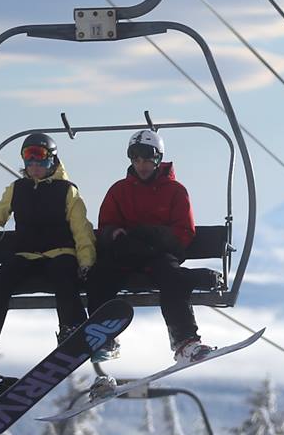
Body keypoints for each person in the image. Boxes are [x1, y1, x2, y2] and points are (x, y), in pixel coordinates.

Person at [0, 132, 97, 358]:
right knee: (3, 278)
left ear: (51, 159)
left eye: (38, 156)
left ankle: (73, 328)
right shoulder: (18, 189)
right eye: (28, 157)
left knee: (64, 275)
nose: (33, 164)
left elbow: (81, 229)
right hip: (26, 254)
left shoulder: (67, 191)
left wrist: (86, 261)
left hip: (60, 252)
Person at [84, 128, 210, 363]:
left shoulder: (175, 191)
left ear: (158, 159)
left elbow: (184, 231)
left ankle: (185, 340)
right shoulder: (119, 191)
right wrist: (115, 236)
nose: (142, 165)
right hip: (128, 254)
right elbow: (106, 224)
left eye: (147, 159)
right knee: (100, 276)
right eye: (137, 159)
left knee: (174, 278)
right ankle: (104, 337)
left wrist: (157, 239)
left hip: (159, 255)